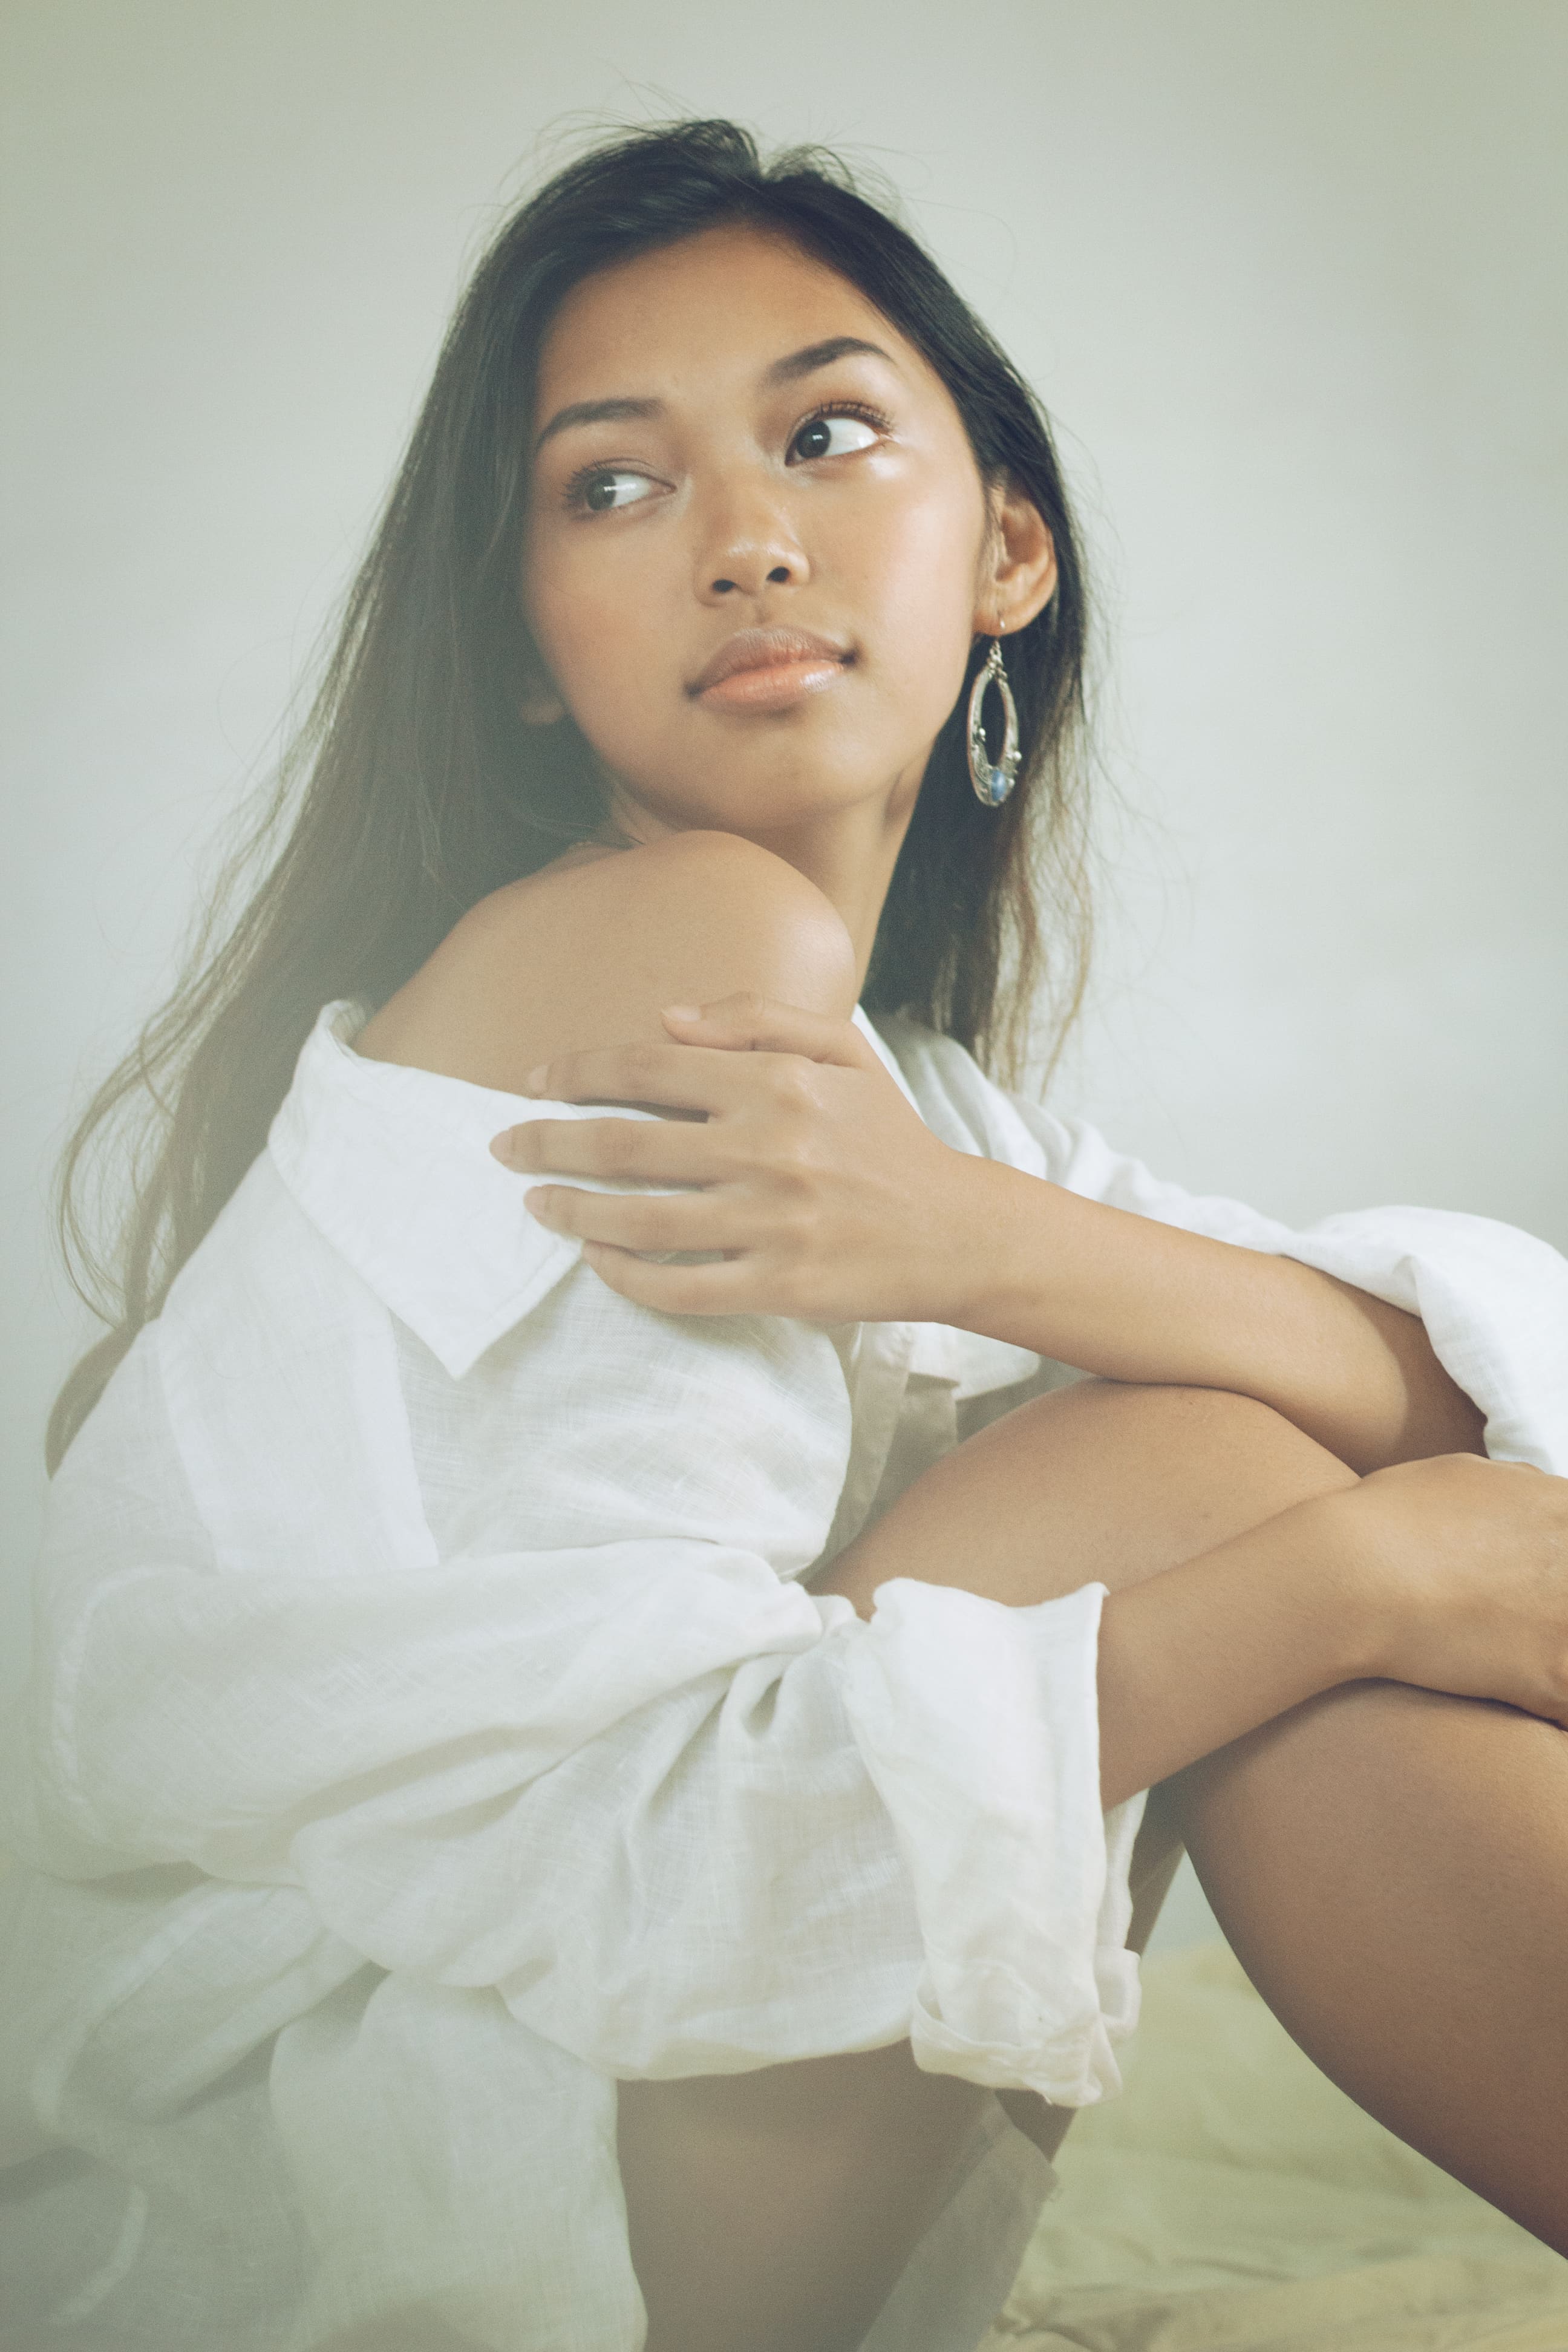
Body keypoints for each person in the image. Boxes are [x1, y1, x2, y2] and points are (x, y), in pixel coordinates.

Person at [3, 119, 1566, 2352]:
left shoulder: (903, 1105)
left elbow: (1471, 1394)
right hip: (387, 2214)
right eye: (613, 487)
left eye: (827, 433)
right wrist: (1358, 1581)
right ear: (530, 649)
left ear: (1007, 547)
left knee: (1235, 1444)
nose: (745, 539)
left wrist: (972, 1239)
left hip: (657, 2155)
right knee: (1222, 1492)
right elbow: (660, 1867)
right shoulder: (653, 960)